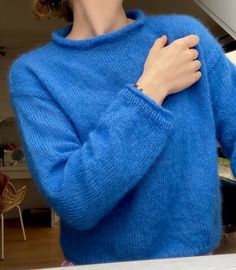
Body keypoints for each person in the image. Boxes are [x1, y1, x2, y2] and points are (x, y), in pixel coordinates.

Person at [7, 0, 236, 267]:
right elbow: (75, 201)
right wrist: (151, 88)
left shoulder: (184, 36)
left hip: (195, 262)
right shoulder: (34, 73)